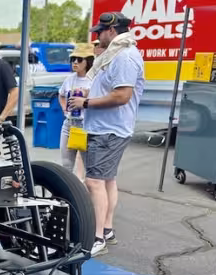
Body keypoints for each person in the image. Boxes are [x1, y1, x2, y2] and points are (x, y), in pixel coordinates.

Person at [68, 12, 144, 256]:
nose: (96, 36)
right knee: (107, 180)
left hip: (109, 130)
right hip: (105, 127)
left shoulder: (124, 56)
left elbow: (122, 96)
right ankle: (107, 229)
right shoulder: (113, 55)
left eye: (99, 32)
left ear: (112, 31)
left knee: (94, 182)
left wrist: (86, 103)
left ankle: (96, 236)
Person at [58, 43, 93, 181]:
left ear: (88, 61)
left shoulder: (93, 79)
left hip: (86, 125)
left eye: (79, 59)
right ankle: (66, 194)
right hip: (69, 124)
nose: (75, 62)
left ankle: (84, 195)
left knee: (87, 165)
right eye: (73, 59)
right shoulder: (69, 79)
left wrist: (85, 99)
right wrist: (64, 108)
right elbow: (61, 94)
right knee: (66, 164)